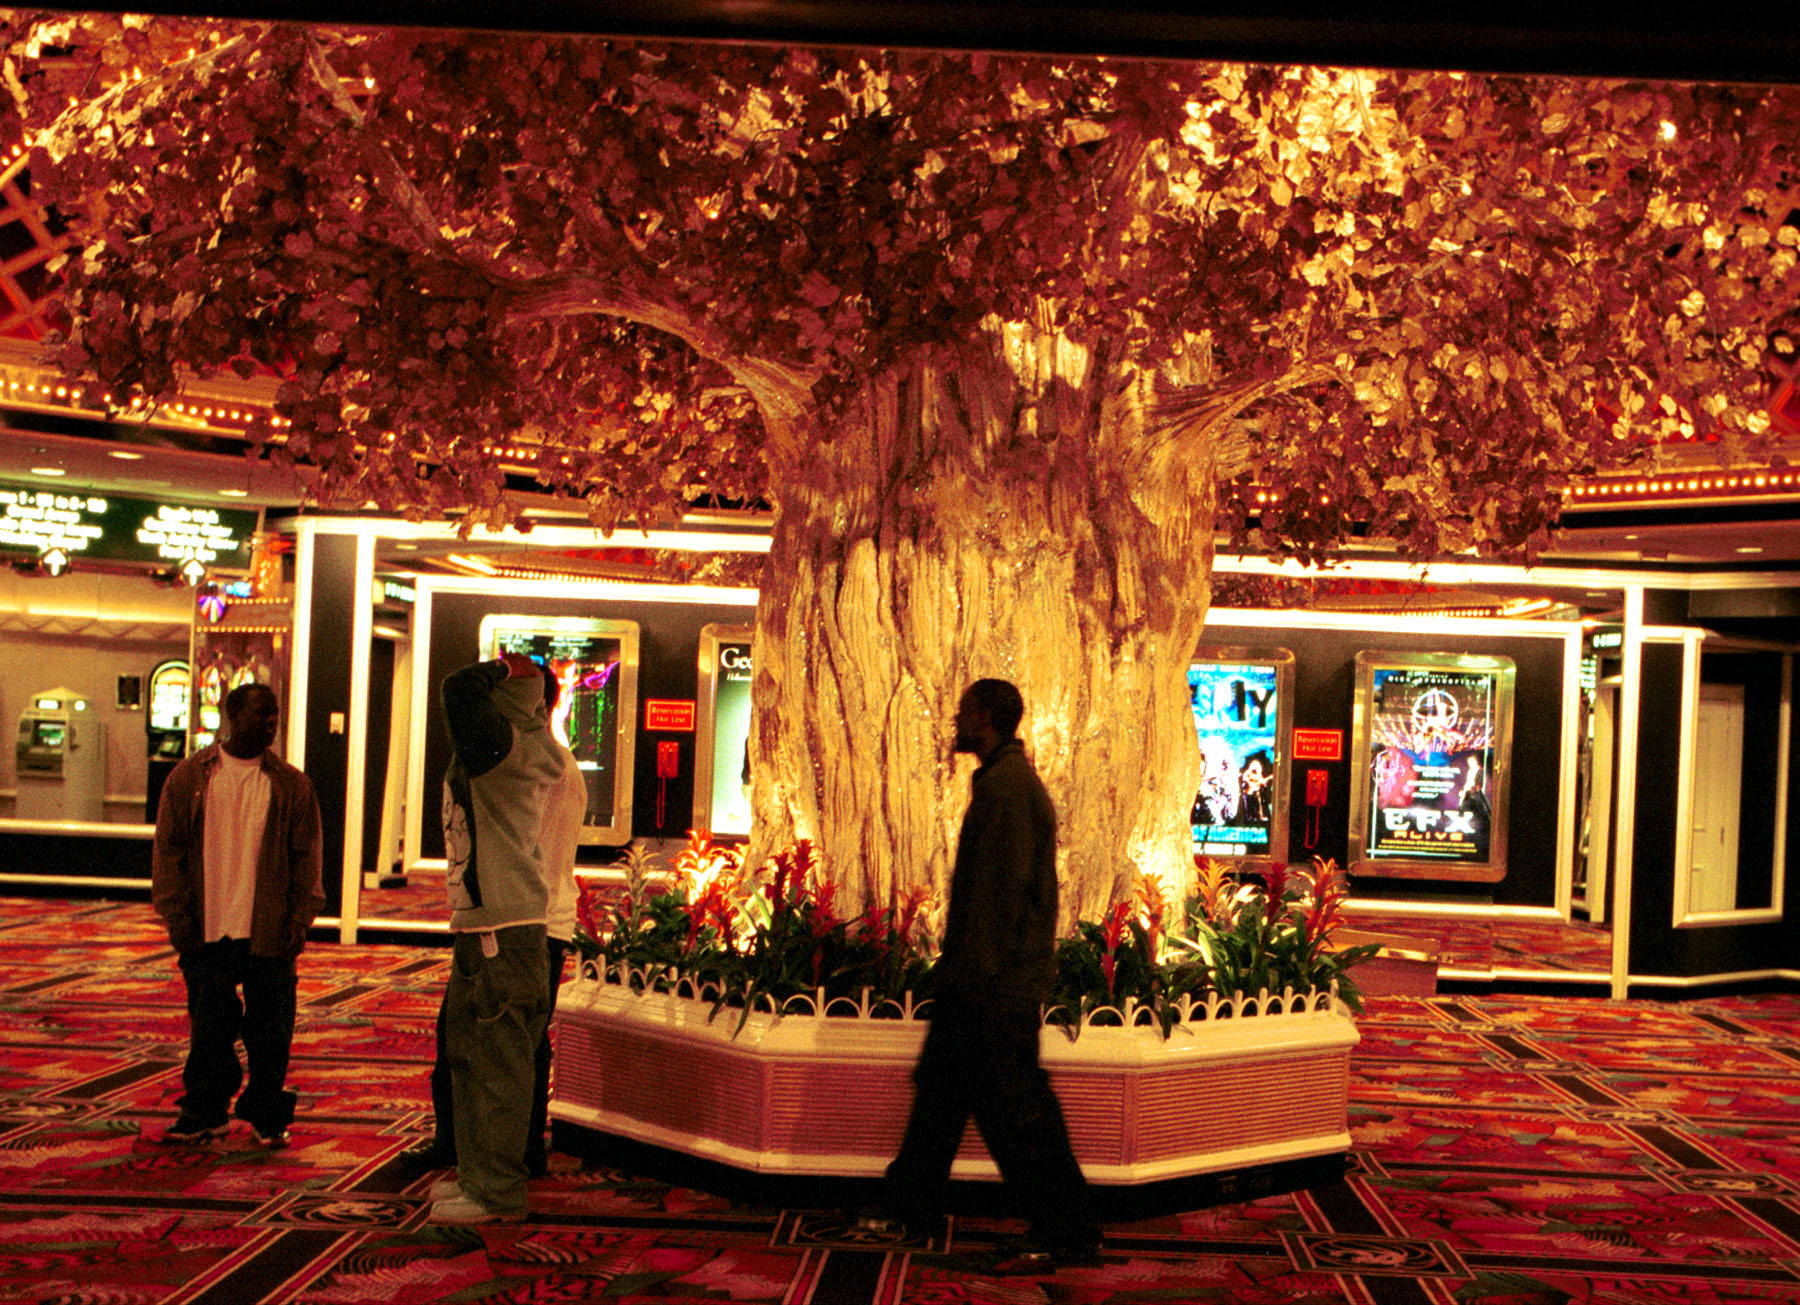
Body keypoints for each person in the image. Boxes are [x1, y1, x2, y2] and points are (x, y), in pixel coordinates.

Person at [874, 678, 1102, 1273]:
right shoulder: (1003, 783)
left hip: (992, 987)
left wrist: (971, 985)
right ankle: (909, 1207)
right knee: (940, 1101)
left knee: (1019, 1114)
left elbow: (998, 900)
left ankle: (1066, 1229)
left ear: (989, 718)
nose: (956, 718)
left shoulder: (1007, 790)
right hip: (981, 980)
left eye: (966, 711)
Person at [402, 662, 585, 1183]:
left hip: (521, 922)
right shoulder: (556, 759)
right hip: (540, 919)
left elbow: (456, 691)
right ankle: (507, 1150)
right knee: (517, 1044)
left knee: (500, 1048)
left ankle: (497, 1157)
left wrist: (505, 668)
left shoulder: (513, 759)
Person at [151, 682, 323, 1148]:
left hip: (268, 929)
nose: (270, 723)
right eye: (261, 714)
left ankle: (267, 1114)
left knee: (271, 1032)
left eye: (275, 715)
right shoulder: (191, 779)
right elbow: (168, 853)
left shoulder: (290, 784)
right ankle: (205, 1111)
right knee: (209, 1026)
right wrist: (177, 917)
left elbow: (307, 857)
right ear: (231, 716)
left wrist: (299, 921)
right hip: (206, 926)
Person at [428, 652, 565, 1224]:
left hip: (504, 931)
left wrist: (508, 668)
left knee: (500, 1065)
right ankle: (477, 1176)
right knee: (470, 1057)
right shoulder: (509, 743)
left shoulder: (504, 746)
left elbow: (458, 684)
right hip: (490, 925)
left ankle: (498, 1192)